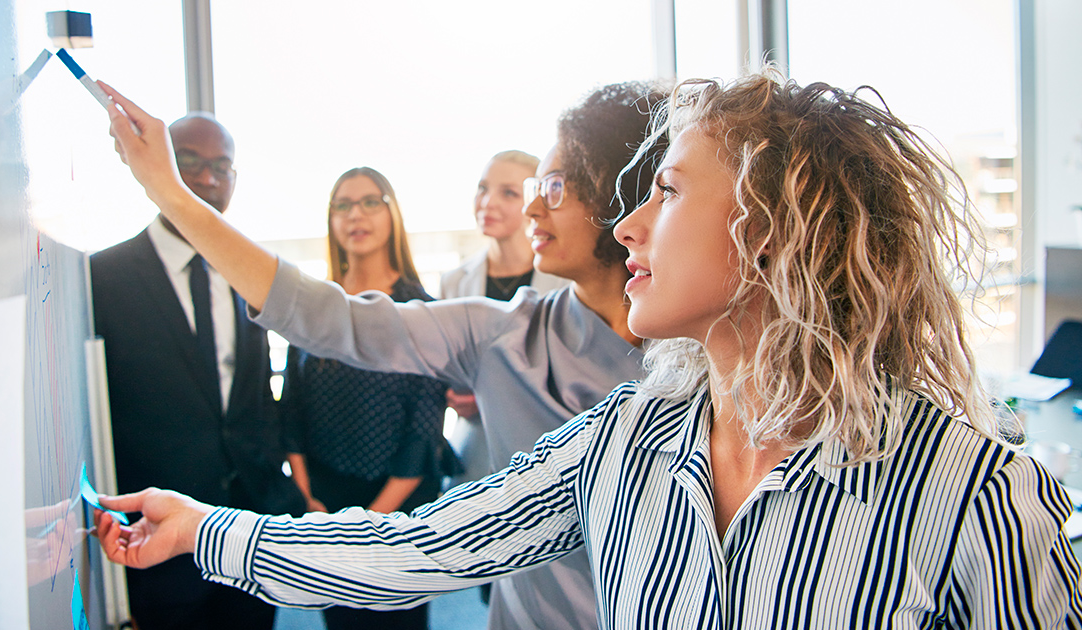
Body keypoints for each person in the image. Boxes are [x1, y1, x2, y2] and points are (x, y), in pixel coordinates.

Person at [95, 70, 1082, 627]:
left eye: (671, 191)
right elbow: (428, 547)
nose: (631, 225)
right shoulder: (626, 437)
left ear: (773, 227)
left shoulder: (982, 500)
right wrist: (206, 529)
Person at [97, 77, 670, 630]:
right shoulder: (500, 333)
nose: (531, 210)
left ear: (619, 197)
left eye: (554, 188)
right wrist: (170, 194)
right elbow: (327, 318)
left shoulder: (699, 365)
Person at [90, 112, 304, 630]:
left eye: (221, 166)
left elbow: (253, 396)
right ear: (160, 165)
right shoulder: (101, 278)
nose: (208, 178)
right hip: (155, 541)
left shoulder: (247, 271)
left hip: (248, 535)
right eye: (189, 162)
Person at [280, 166, 450, 630]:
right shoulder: (314, 306)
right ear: (331, 220)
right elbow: (291, 407)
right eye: (343, 204)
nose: (356, 214)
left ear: (392, 212)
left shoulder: (425, 309)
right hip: (326, 504)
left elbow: (423, 432)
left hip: (401, 510)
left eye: (370, 201)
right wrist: (308, 500)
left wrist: (368, 525)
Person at [440, 150, 568, 494]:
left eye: (508, 193)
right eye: (482, 188)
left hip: (547, 456)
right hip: (473, 456)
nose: (487, 202)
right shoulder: (453, 281)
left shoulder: (565, 280)